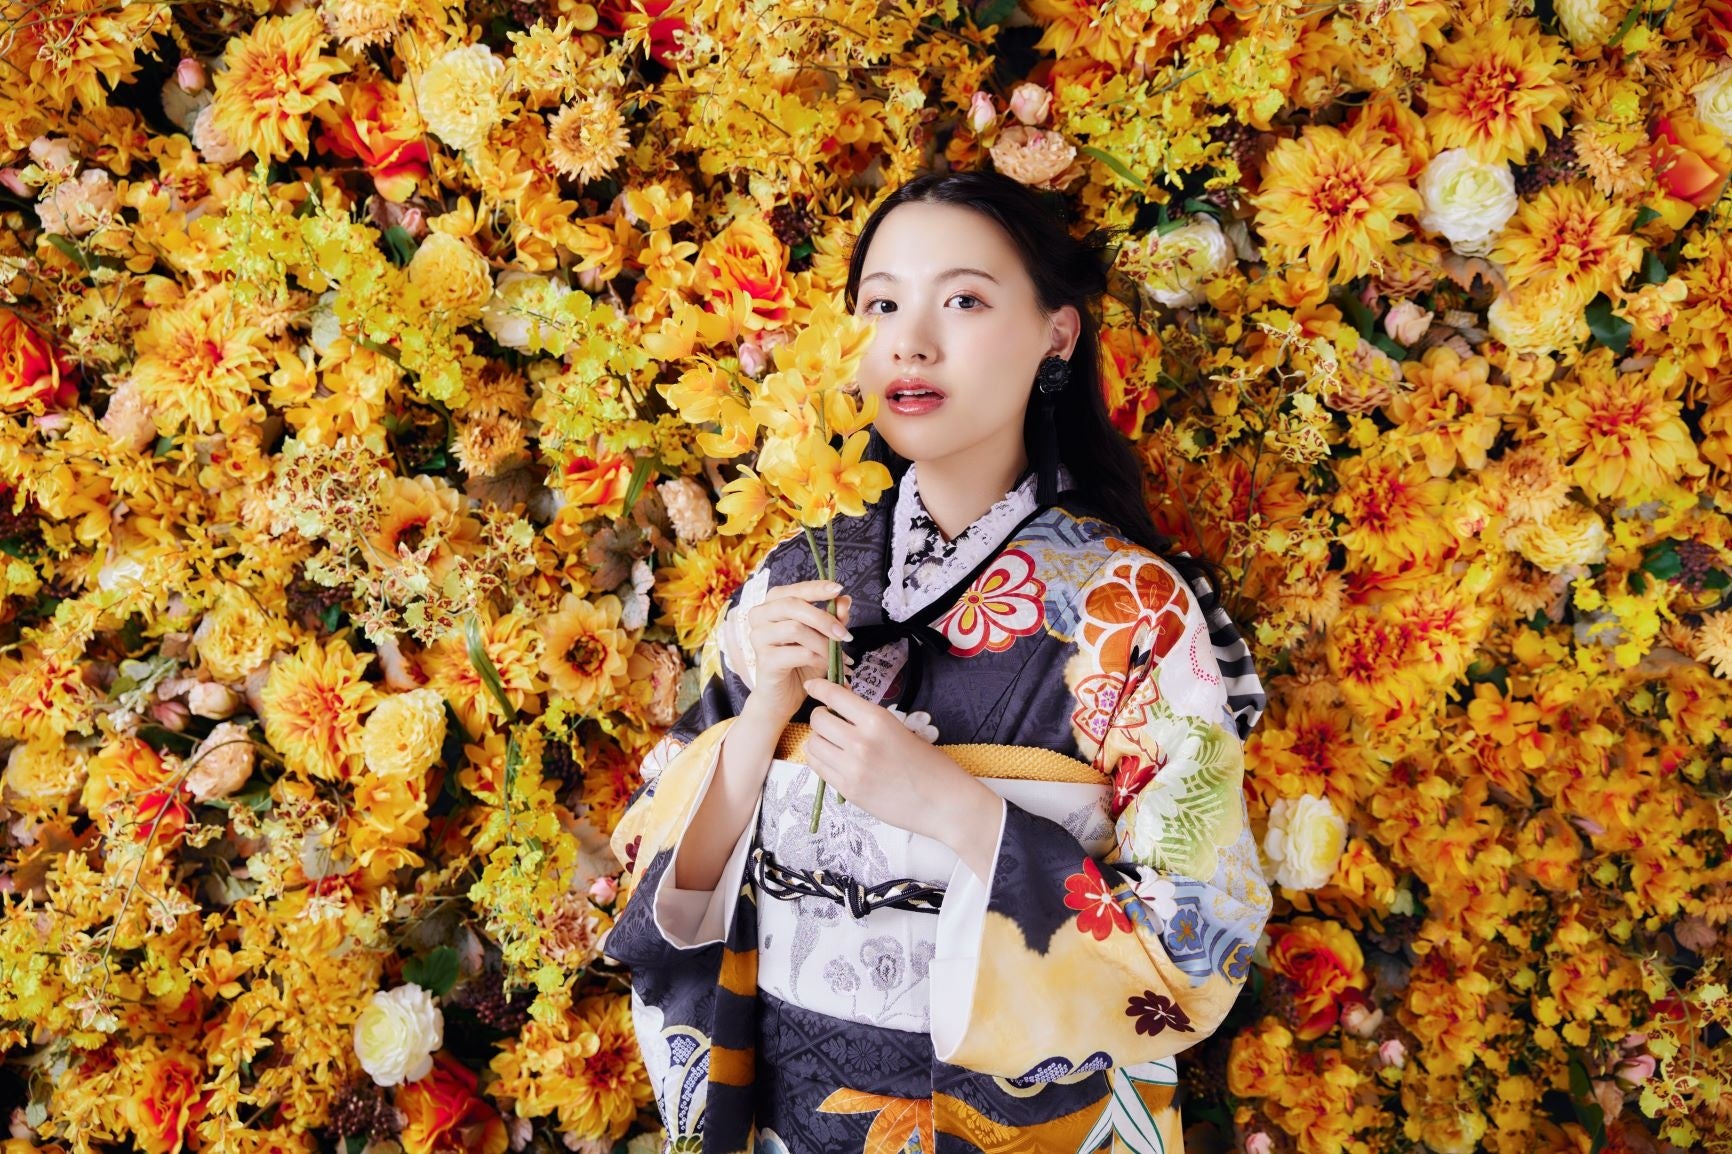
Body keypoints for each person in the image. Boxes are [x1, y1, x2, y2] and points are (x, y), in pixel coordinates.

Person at [605, 170, 1272, 1154]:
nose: (911, 342)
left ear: (1056, 334)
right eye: (882, 305)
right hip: (790, 1115)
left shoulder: (1131, 607)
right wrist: (760, 725)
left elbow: (1200, 934)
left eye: (962, 300)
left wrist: (960, 813)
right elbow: (652, 872)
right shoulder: (798, 571)